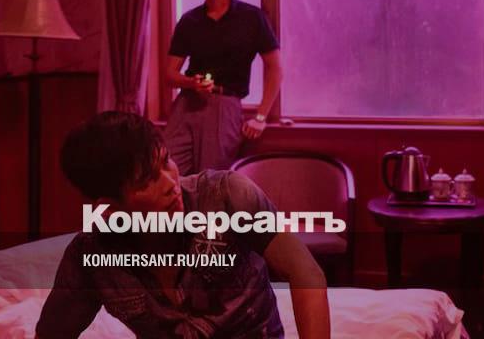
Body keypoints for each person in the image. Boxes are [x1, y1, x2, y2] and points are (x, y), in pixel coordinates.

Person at [36, 111, 329, 338]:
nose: (169, 183)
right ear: (110, 208)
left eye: (166, 162)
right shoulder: (92, 255)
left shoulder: (226, 196)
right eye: (147, 180)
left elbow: (306, 272)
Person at [164, 0, 283, 174]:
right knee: (166, 170)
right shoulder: (189, 21)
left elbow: (275, 67)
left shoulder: (251, 17)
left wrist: (261, 116)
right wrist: (191, 83)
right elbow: (169, 75)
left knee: (212, 179)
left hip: (225, 104)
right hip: (187, 102)